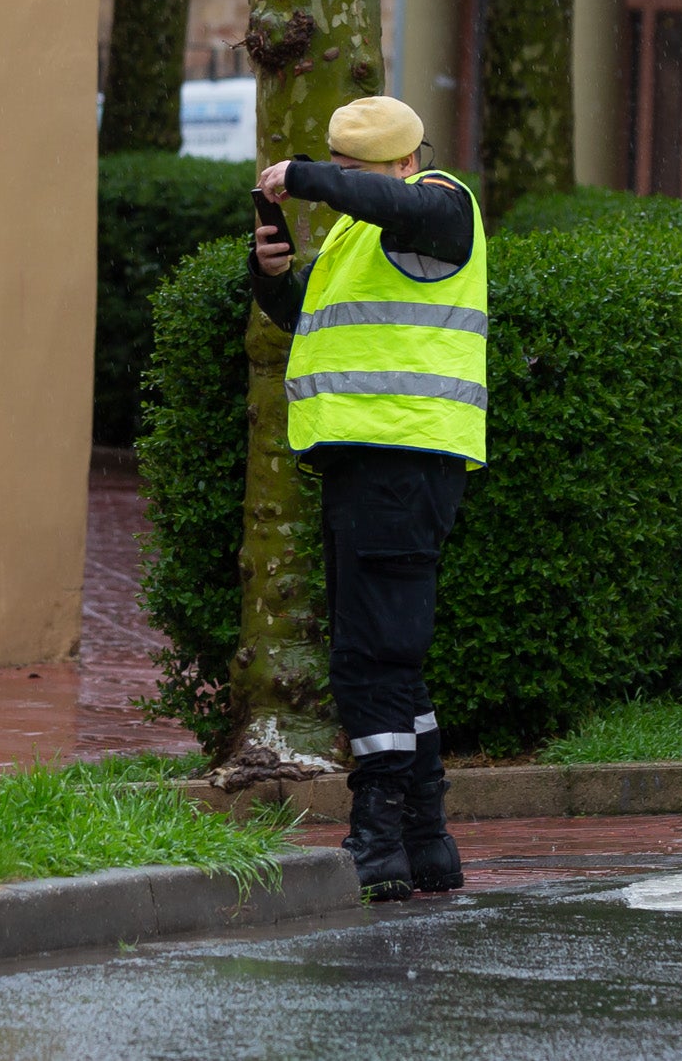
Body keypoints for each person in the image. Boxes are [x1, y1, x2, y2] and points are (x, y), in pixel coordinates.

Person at [252, 94, 485, 901]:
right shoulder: (368, 229)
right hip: (370, 462)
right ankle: (425, 843)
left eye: (352, 173)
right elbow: (321, 323)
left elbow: (390, 204)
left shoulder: (441, 207)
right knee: (393, 657)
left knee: (369, 657)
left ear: (401, 164)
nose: (341, 188)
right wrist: (275, 280)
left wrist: (314, 180)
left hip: (403, 457)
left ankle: (378, 842)